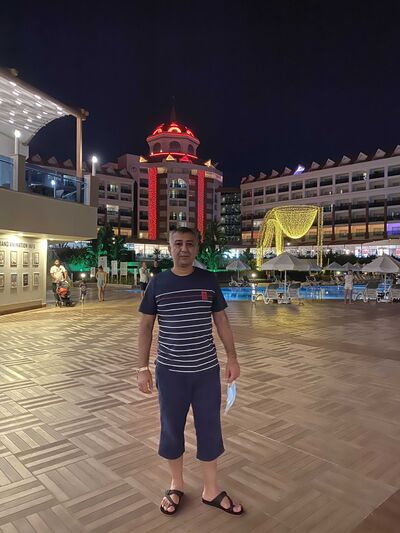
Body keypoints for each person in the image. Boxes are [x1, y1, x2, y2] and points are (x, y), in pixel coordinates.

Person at [137, 227, 243, 517]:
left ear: (197, 248)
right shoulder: (157, 283)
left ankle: (211, 489)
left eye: (189, 244)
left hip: (206, 371)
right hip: (170, 372)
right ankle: (176, 484)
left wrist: (232, 358)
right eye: (178, 244)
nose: (184, 249)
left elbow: (221, 320)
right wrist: (142, 368)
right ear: (169, 247)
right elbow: (145, 327)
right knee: (171, 428)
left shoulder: (208, 280)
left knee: (210, 428)